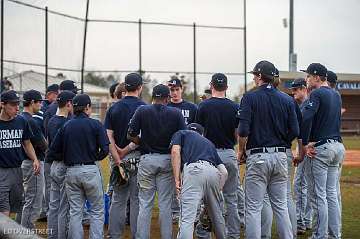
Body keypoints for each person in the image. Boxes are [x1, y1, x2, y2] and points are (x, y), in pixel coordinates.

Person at [238, 60, 299, 239]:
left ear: (259, 76)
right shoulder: (287, 99)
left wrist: (241, 150)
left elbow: (243, 130)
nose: (254, 78)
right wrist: (282, 143)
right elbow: (295, 131)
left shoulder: (249, 97)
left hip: (258, 157)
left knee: (254, 208)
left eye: (255, 75)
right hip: (281, 156)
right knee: (280, 206)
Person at [128, 84, 186, 239]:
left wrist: (141, 141)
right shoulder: (176, 113)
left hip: (147, 159)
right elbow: (183, 137)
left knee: (145, 203)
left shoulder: (142, 110)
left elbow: (130, 134)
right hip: (167, 160)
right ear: (167, 98)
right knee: (165, 204)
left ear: (153, 97)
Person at [50, 94, 109, 239]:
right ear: (87, 107)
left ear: (74, 107)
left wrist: (68, 157)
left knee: (75, 211)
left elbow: (52, 151)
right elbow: (106, 149)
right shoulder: (95, 124)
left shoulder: (66, 125)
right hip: (90, 169)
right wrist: (95, 158)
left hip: (71, 171)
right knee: (96, 210)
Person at [300, 63, 345, 239]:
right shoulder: (336, 94)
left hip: (322, 148)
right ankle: (335, 234)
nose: (307, 79)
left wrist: (304, 145)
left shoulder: (317, 93)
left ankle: (320, 235)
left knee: (319, 196)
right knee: (331, 194)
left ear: (318, 77)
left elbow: (306, 118)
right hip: (337, 146)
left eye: (309, 76)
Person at [196, 73, 243, 238]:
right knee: (232, 198)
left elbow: (198, 134)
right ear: (227, 88)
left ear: (211, 86)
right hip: (229, 153)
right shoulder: (235, 107)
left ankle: (204, 234)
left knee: (207, 198)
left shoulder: (203, 106)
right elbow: (238, 133)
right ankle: (233, 235)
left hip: (209, 156)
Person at [106, 73, 146, 238]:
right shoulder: (144, 107)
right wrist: (127, 149)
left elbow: (108, 137)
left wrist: (118, 157)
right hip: (138, 158)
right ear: (140, 87)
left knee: (118, 199)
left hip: (118, 160)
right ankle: (137, 234)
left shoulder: (114, 108)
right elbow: (143, 136)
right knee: (137, 200)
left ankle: (114, 235)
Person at [170, 123, 228, 238]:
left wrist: (177, 180)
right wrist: (216, 191)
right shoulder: (209, 143)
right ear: (202, 134)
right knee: (217, 217)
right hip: (213, 172)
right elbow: (224, 172)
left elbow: (175, 151)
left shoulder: (182, 133)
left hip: (194, 170)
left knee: (187, 219)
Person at [0, 90, 40, 218]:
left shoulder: (21, 121)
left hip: (17, 170)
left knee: (15, 207)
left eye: (18, 104)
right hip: (1, 171)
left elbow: (27, 142)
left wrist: (35, 159)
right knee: (4, 209)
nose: (17, 108)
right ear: (2, 104)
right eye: (13, 104)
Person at [167, 77, 198, 222]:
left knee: (189, 180)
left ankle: (189, 210)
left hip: (188, 150)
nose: (174, 93)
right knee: (173, 181)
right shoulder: (166, 107)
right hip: (171, 149)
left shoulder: (192, 108)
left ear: (182, 89)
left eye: (176, 90)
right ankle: (175, 212)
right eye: (171, 90)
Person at [46, 90, 75, 239]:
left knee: (53, 206)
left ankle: (52, 236)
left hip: (53, 166)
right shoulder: (67, 123)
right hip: (64, 166)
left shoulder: (52, 120)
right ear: (69, 103)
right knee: (64, 207)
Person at [20, 90, 48, 229]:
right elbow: (43, 145)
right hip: (33, 163)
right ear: (32, 102)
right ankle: (26, 232)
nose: (41, 104)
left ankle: (21, 229)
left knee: (27, 200)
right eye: (39, 101)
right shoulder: (31, 120)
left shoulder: (20, 117)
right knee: (34, 201)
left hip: (24, 162)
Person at [290, 78, 313, 234]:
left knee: (299, 185)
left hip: (307, 148)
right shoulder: (306, 105)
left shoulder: (306, 106)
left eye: (296, 89)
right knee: (308, 186)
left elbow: (303, 133)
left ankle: (300, 222)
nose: (293, 93)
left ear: (304, 88)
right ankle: (307, 220)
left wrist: (301, 152)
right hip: (311, 147)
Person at [36, 83, 60, 221]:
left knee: (48, 185)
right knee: (49, 185)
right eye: (56, 94)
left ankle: (47, 211)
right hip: (44, 154)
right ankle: (47, 212)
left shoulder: (45, 109)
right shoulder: (47, 109)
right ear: (50, 94)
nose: (58, 97)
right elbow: (43, 135)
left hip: (45, 153)